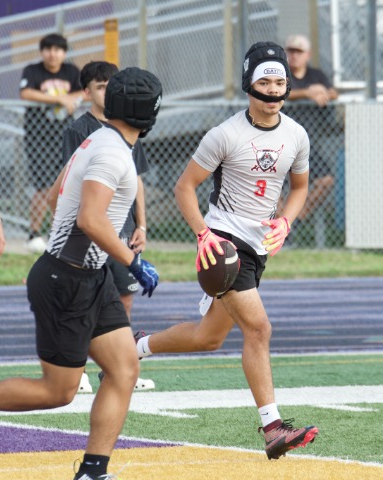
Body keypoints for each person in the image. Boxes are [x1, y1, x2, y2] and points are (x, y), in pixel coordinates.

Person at [133, 41, 319, 460]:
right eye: (265, 83)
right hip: (224, 242)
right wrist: (203, 235)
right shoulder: (225, 134)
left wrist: (286, 221)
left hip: (258, 245)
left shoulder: (296, 134)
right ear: (249, 85)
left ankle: (135, 347)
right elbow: (185, 187)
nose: (273, 91)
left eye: (279, 83)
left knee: (208, 338)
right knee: (259, 329)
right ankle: (273, 429)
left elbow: (300, 187)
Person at [0, 67, 162, 480]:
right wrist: (132, 260)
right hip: (67, 279)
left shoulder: (100, 138)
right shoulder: (112, 152)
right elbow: (89, 218)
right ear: (151, 113)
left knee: (124, 369)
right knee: (58, 391)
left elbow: (57, 197)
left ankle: (92, 472)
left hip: (89, 275)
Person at [57, 60, 155, 393]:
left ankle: (117, 368)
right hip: (92, 231)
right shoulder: (79, 130)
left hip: (122, 230)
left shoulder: (130, 126)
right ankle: (77, 370)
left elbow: (136, 179)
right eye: (100, 86)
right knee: (83, 303)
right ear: (86, 92)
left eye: (111, 85)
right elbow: (73, 180)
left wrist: (142, 224)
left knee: (123, 299)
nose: (107, 91)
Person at [19, 33, 84, 253]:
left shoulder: (71, 71)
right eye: (48, 49)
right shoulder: (33, 70)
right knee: (43, 184)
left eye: (57, 49)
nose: (52, 54)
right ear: (42, 51)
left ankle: (60, 231)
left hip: (65, 136)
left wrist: (71, 98)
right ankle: (34, 233)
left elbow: (86, 91)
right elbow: (26, 93)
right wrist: (59, 98)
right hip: (38, 137)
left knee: (67, 183)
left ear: (64, 52)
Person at [282, 34, 339, 227]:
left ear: (308, 55)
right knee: (273, 188)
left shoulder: (316, 75)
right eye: (291, 51)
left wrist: (322, 92)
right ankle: (280, 227)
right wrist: (307, 93)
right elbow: (281, 93)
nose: (294, 55)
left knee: (326, 180)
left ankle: (298, 217)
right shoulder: (281, 73)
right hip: (282, 143)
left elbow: (333, 92)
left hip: (307, 145)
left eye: (299, 52)